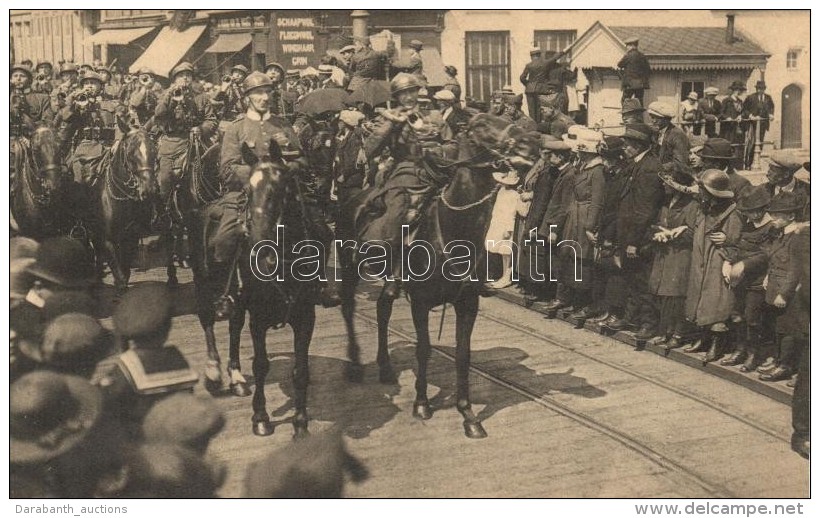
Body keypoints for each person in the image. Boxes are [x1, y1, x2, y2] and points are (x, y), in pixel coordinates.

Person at [216, 71, 341, 307]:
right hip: (248, 194)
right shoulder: (236, 128)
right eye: (257, 93)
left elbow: (302, 161)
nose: (264, 97)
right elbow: (227, 168)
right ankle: (227, 293)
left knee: (321, 231)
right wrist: (257, 176)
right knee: (224, 240)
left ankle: (319, 284)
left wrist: (285, 171)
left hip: (285, 192)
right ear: (247, 98)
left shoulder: (283, 125)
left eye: (267, 92)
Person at [604, 123, 664, 337]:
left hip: (640, 236)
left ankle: (648, 323)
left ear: (640, 145)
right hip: (628, 232)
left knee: (642, 280)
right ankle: (631, 319)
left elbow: (644, 209)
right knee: (632, 278)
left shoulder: (649, 167)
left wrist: (634, 242)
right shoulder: (636, 164)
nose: (625, 148)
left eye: (629, 145)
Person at [682, 169, 743, 363]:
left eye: (702, 189)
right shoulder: (704, 208)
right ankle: (704, 338)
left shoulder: (732, 213)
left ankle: (718, 343)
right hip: (700, 261)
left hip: (718, 263)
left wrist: (727, 241)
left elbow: (738, 241)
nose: (699, 192)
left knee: (717, 303)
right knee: (700, 301)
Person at [718, 185, 777, 369]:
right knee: (737, 315)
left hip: (757, 283)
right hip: (740, 281)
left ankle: (753, 354)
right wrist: (729, 261)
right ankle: (739, 350)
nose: (749, 216)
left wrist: (744, 264)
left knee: (752, 319)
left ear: (762, 209)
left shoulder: (772, 228)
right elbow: (738, 247)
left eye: (751, 212)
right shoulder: (748, 225)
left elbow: (766, 254)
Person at [153, 61, 218, 220]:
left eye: (188, 75)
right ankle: (165, 214)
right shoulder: (166, 95)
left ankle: (209, 205)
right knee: (165, 179)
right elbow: (158, 115)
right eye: (181, 76)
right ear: (174, 80)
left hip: (193, 141)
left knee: (210, 172)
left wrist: (201, 129)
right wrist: (170, 97)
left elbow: (212, 120)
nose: (185, 79)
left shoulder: (201, 97)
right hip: (171, 142)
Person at [754, 192, 806, 382]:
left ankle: (785, 365)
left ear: (791, 216)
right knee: (778, 327)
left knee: (789, 330)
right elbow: (774, 259)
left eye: (777, 215)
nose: (772, 218)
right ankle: (778, 360)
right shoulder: (781, 234)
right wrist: (768, 276)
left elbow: (796, 270)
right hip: (775, 287)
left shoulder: (798, 238)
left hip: (788, 293)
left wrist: (784, 294)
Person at [649, 164, 700, 348]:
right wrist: (657, 233)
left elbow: (694, 233)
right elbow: (657, 223)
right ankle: (665, 331)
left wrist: (672, 235)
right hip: (665, 254)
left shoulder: (692, 205)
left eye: (667, 183)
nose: (663, 185)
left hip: (680, 256)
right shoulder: (666, 202)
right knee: (664, 296)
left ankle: (679, 334)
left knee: (677, 296)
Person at [560, 127, 606, 319]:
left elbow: (597, 201)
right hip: (575, 216)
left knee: (583, 261)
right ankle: (574, 300)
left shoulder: (597, 171)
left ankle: (584, 302)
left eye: (582, 152)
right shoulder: (583, 167)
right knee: (572, 257)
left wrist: (590, 226)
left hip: (585, 217)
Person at [539, 139, 576, 312]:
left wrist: (554, 229)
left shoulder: (569, 175)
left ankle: (561, 298)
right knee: (554, 262)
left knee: (559, 262)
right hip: (552, 224)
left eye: (551, 154)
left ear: (560, 157)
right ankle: (556, 295)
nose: (549, 157)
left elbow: (563, 206)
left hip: (558, 227)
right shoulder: (560, 172)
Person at [763, 150, 810, 221]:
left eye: (772, 170)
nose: (767, 173)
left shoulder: (808, 192)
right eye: (769, 168)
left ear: (786, 175)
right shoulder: (762, 190)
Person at [647, 101, 689, 178]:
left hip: (674, 176)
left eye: (658, 118)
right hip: (659, 173)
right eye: (652, 117)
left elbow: (680, 163)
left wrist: (657, 168)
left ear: (667, 119)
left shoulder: (677, 135)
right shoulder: (657, 131)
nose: (654, 121)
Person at [742, 80, 775, 165]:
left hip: (763, 124)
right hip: (752, 124)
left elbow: (771, 107)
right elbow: (744, 109)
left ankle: (756, 162)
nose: (760, 90)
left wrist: (771, 114)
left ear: (764, 89)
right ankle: (748, 163)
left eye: (762, 89)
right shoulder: (751, 97)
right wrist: (750, 116)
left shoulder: (768, 98)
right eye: (758, 88)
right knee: (751, 143)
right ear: (756, 89)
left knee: (760, 143)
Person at [720, 80, 748, 167]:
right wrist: (727, 117)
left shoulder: (740, 101)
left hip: (738, 128)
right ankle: (727, 165)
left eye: (739, 90)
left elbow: (744, 112)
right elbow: (721, 113)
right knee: (728, 145)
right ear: (733, 90)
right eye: (736, 90)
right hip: (728, 128)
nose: (738, 92)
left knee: (738, 145)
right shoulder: (726, 101)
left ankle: (737, 165)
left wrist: (741, 116)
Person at [616, 36, 650, 104]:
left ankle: (627, 114)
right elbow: (648, 69)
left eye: (627, 46)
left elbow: (619, 64)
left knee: (625, 102)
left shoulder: (628, 56)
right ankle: (638, 114)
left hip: (629, 85)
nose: (626, 47)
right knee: (639, 102)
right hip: (640, 85)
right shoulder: (642, 56)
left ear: (632, 46)